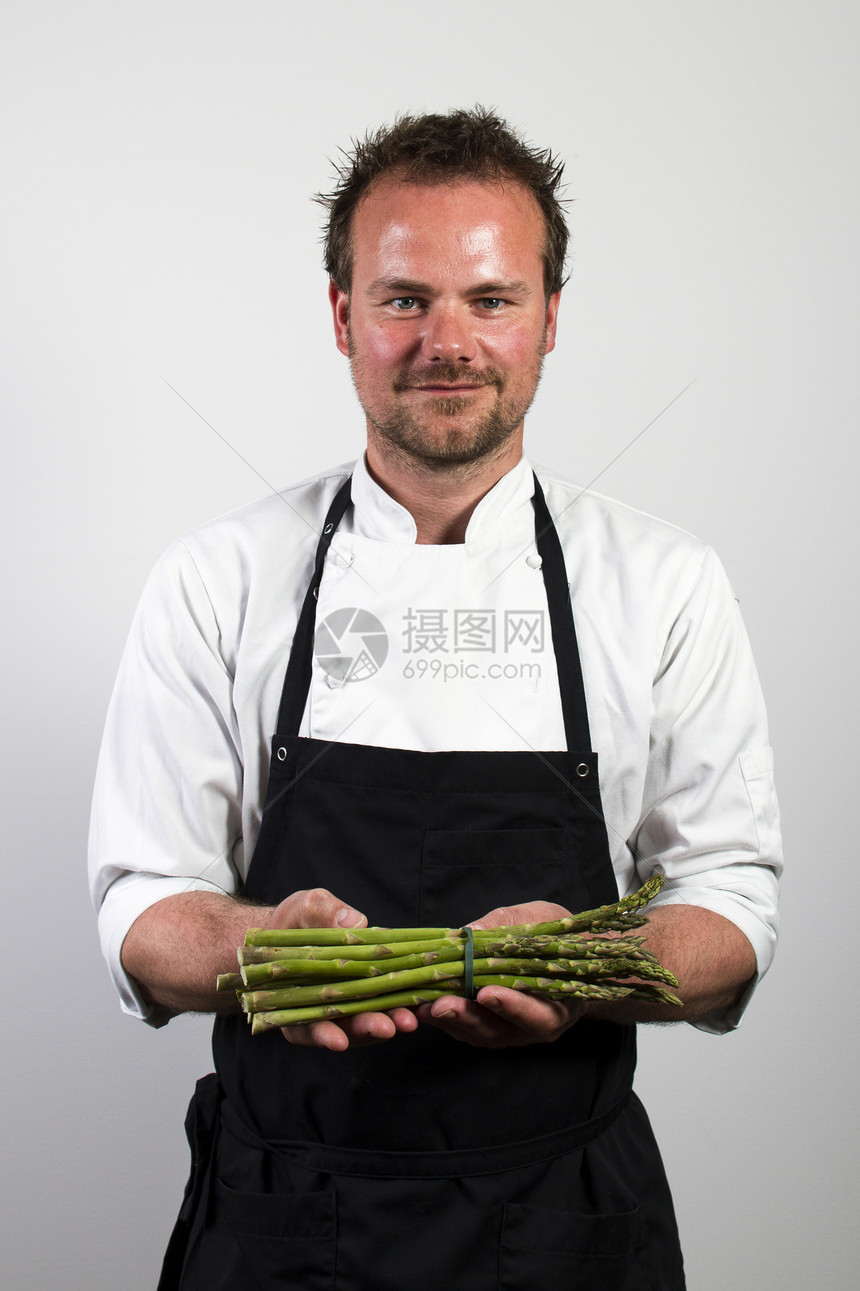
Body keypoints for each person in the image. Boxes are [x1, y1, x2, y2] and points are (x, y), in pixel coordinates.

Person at [89, 107, 781, 1290]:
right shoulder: (216, 578)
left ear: (550, 319)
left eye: (491, 298)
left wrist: (585, 974)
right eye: (404, 297)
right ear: (342, 315)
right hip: (285, 1225)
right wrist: (266, 946)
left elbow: (732, 910)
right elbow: (142, 909)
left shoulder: (663, 582)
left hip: (568, 1226)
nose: (446, 340)